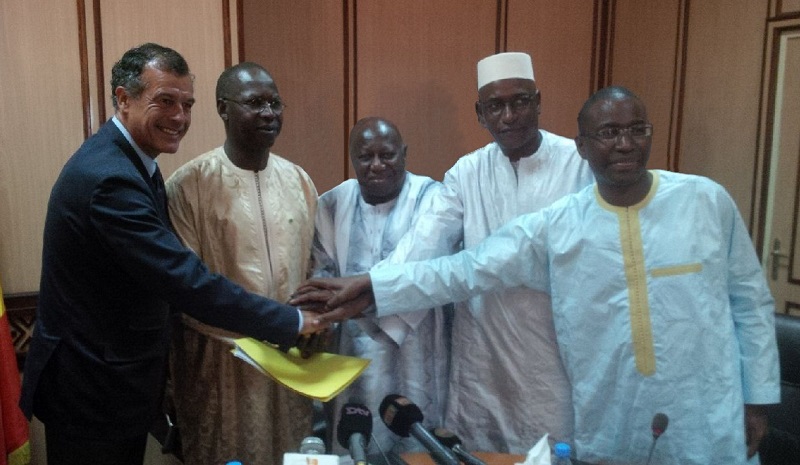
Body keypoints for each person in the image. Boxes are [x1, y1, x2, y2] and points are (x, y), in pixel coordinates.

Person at [293, 86, 781, 465]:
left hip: (707, 410)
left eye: (637, 130)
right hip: (611, 411)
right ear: (584, 147)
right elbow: (465, 270)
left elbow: (750, 302)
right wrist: (374, 285)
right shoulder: (559, 224)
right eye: (608, 135)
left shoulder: (705, 201)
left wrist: (757, 399)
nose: (625, 145)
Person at [19, 44, 325, 465]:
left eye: (186, 104)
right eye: (165, 101)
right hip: (93, 390)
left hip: (112, 382)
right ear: (123, 99)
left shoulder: (134, 164)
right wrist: (288, 322)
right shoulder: (111, 178)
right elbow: (184, 280)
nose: (179, 117)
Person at [373, 51, 593, 453]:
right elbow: (424, 245)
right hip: (483, 357)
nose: (509, 115)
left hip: (554, 358)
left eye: (520, 101)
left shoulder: (579, 165)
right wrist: (374, 292)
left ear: (539, 102)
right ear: (480, 113)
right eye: (495, 105)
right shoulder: (466, 173)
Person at [164, 61, 319, 465]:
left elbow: (316, 269)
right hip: (220, 371)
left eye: (275, 102)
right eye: (255, 103)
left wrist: (314, 323)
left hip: (291, 365)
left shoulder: (299, 180)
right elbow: (185, 291)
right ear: (223, 108)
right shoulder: (188, 185)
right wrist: (267, 328)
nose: (269, 113)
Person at [313, 117, 451, 459]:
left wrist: (358, 297)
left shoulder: (432, 198)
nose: (376, 165)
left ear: (404, 154)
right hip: (351, 359)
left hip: (419, 354)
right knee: (356, 444)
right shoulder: (331, 204)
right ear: (351, 158)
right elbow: (323, 282)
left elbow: (428, 275)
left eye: (387, 155)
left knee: (417, 446)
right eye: (365, 156)